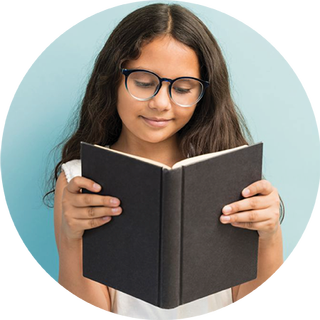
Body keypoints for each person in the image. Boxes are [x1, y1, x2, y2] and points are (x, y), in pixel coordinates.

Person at [44, 3, 283, 319]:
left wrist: (269, 236)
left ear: (203, 94)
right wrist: (73, 240)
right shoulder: (79, 180)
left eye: (183, 88)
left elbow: (258, 313)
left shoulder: (231, 175)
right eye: (143, 82)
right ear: (112, 79)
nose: (160, 103)